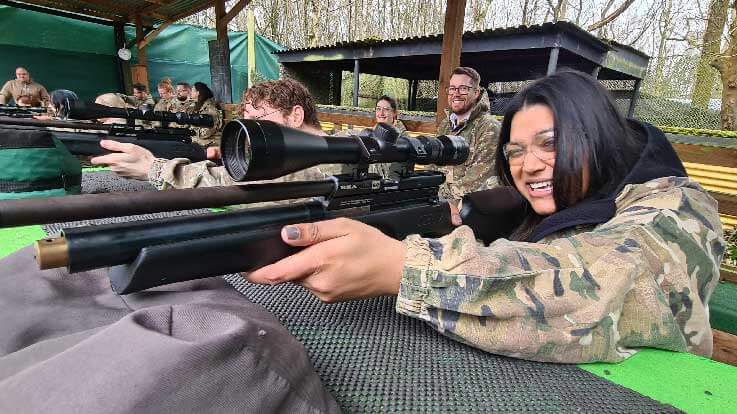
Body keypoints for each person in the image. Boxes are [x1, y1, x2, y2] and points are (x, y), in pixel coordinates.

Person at [244, 71, 725, 364]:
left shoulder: (677, 206)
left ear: (598, 136)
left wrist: (402, 267)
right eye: (514, 152)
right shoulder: (555, 198)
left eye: (550, 143)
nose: (528, 165)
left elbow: (603, 279)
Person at [91, 78, 329, 189]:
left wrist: (155, 168)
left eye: (258, 120)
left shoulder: (333, 157)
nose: (252, 132)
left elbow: (241, 186)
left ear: (296, 116)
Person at [436, 66, 500, 203]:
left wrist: (438, 195)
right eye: (452, 88)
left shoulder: (489, 127)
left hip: (472, 209)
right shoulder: (445, 125)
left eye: (463, 88)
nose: (456, 93)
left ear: (476, 93)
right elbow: (432, 164)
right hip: (440, 203)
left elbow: (479, 180)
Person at [189, 82, 224, 148]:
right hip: (199, 141)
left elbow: (206, 133)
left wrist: (192, 130)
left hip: (209, 143)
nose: (190, 92)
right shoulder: (197, 106)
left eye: (192, 90)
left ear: (198, 93)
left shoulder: (210, 109)